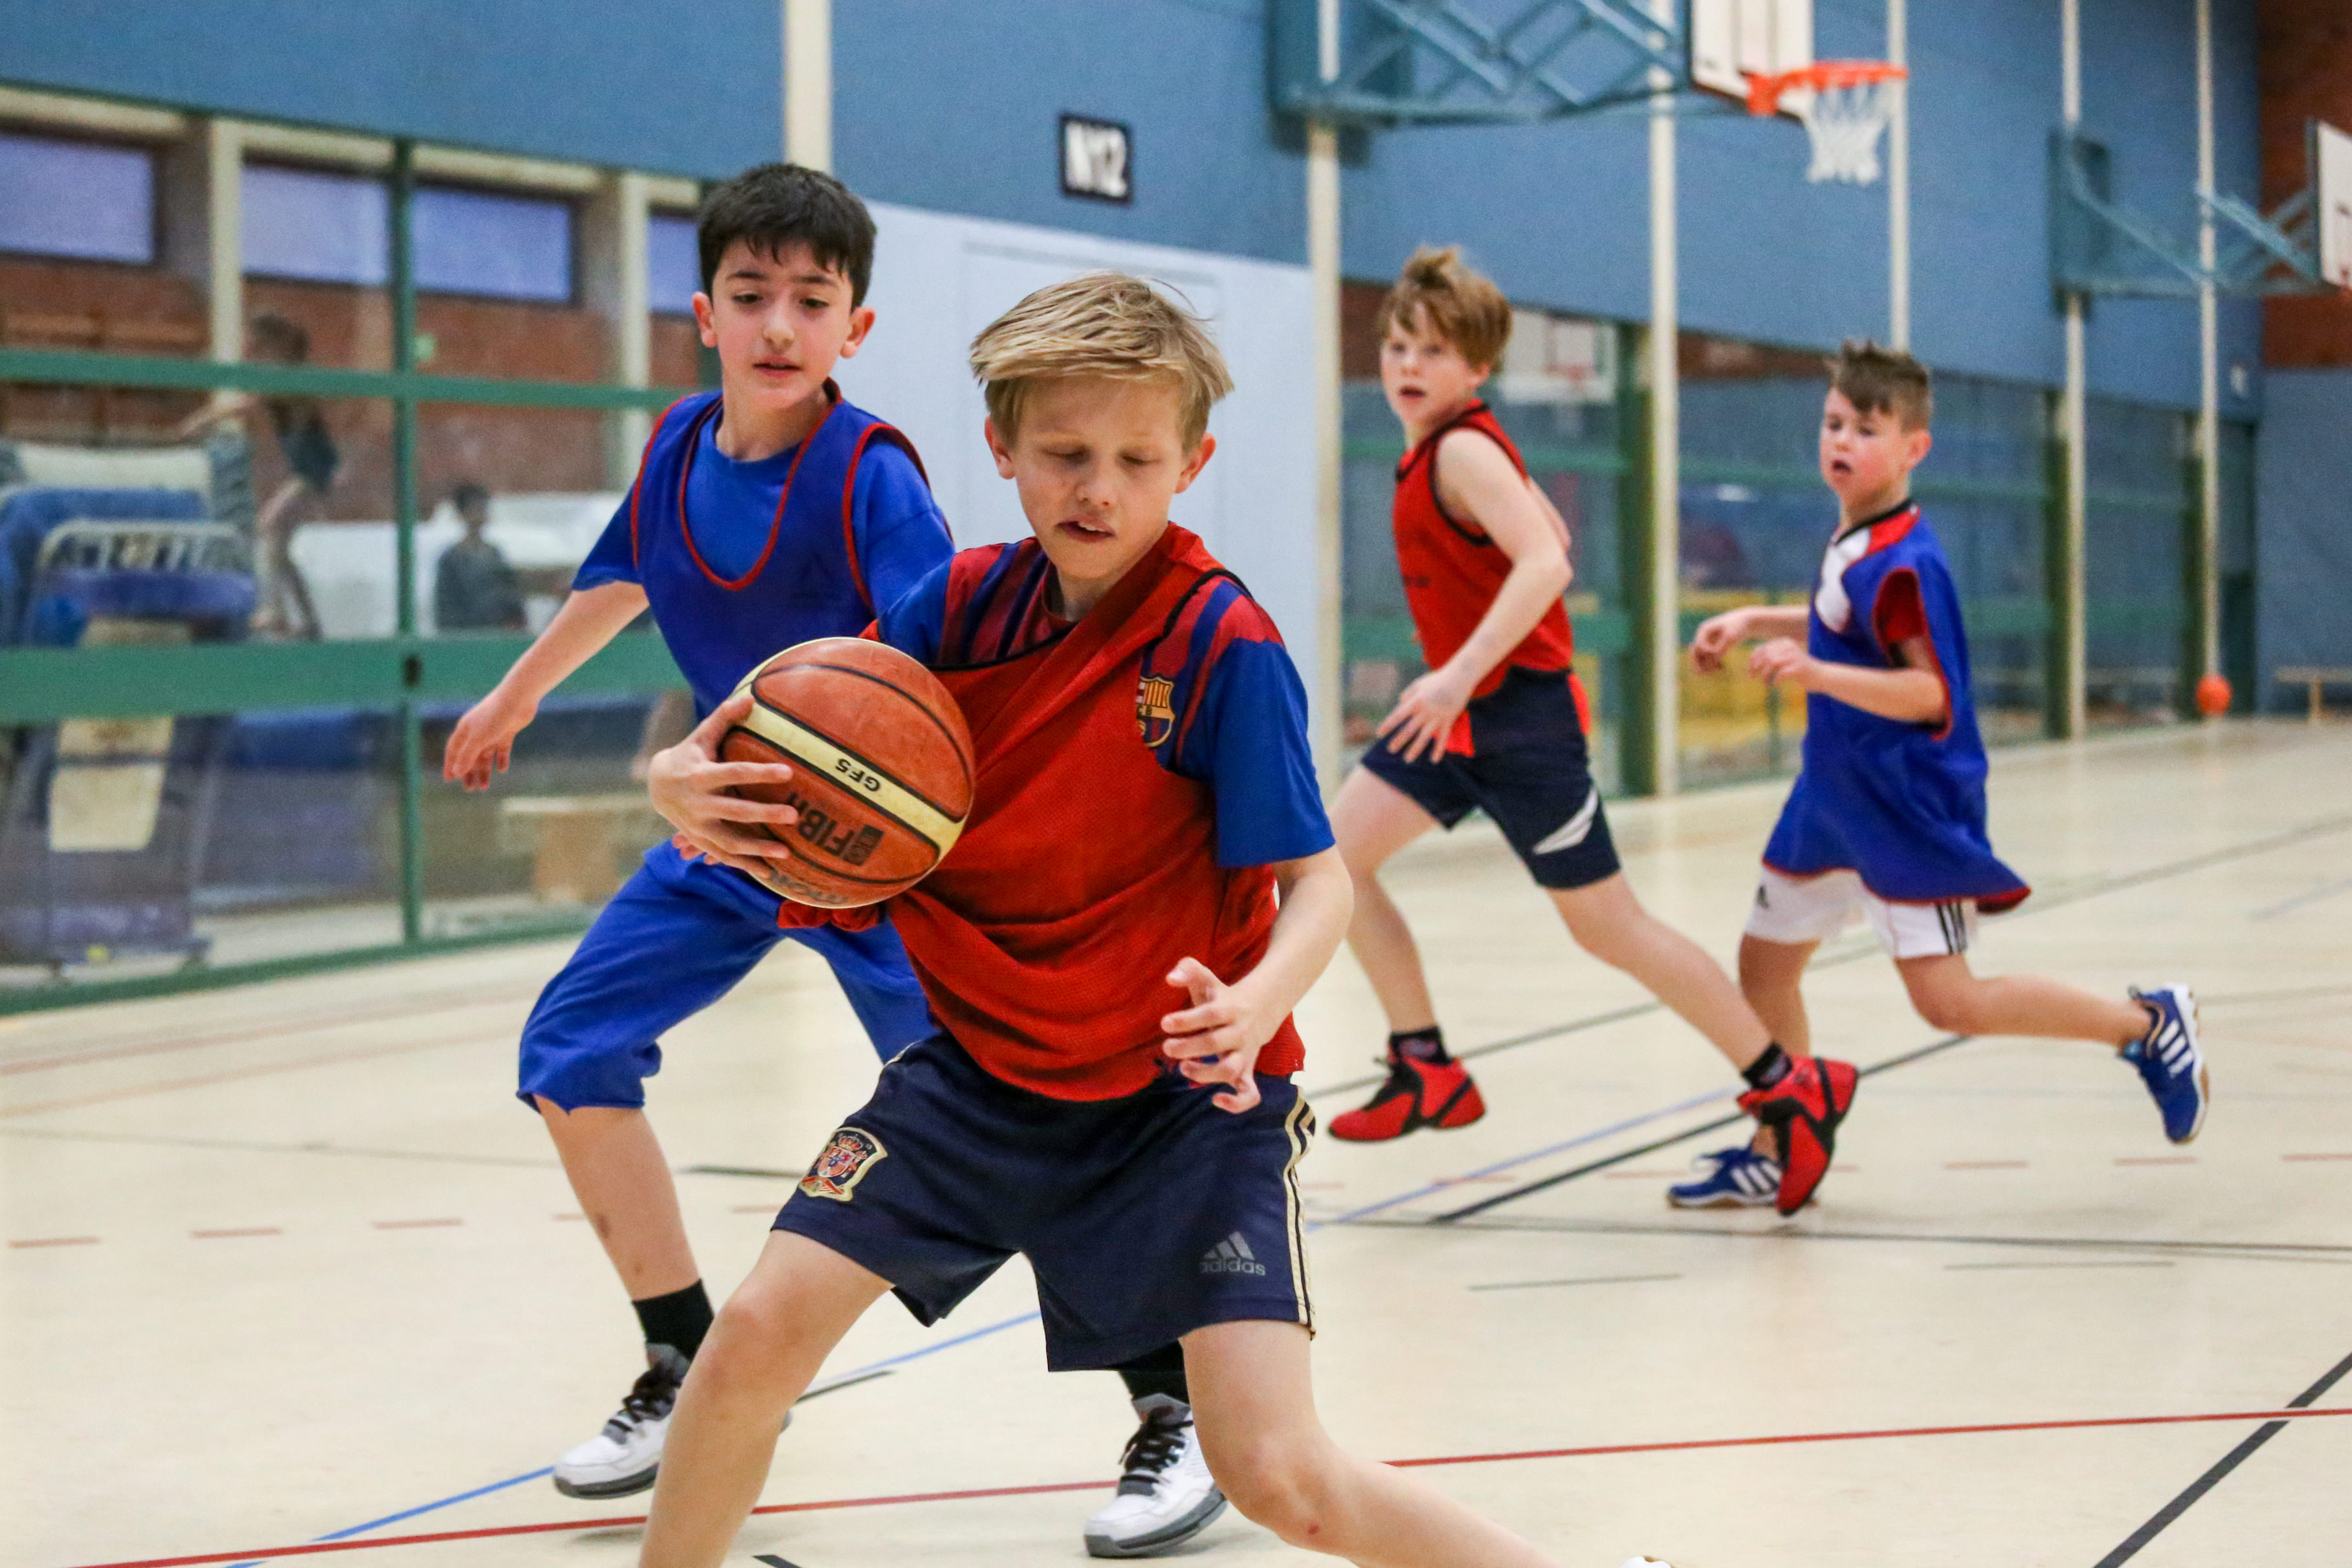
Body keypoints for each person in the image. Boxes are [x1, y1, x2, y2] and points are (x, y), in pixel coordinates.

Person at [639, 271, 1641, 1568]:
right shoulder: (953, 613)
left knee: (1282, 1476)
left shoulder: (1221, 642)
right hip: (979, 1076)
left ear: (1190, 463)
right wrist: (681, 781)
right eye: (1063, 453)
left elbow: (1320, 880)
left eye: (1134, 459)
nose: (1096, 489)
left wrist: (1260, 1000)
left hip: (1183, 1102)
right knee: (749, 1339)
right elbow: (775, 753)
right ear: (1001, 449)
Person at [438, 166, 1208, 1554]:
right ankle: (683, 1357)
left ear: (855, 327)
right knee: (568, 1052)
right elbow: (620, 575)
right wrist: (516, 694)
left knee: (1011, 1118)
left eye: (812, 300)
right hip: (734, 833)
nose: (779, 324)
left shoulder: (870, 477)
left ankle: (1174, 1399)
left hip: (887, 863)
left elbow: (967, 659)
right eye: (751, 296)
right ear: (705, 316)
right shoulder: (677, 449)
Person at [1325, 246, 1854, 1217]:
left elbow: (1546, 564)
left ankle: (1789, 1082)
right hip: (1457, 717)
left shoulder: (1462, 450)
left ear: (1476, 366)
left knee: (1608, 926)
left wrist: (1454, 673)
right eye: (1397, 345)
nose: (1408, 364)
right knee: (1331, 860)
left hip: (1515, 721)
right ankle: (1423, 1064)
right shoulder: (1446, 446)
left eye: (1433, 351)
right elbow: (1551, 535)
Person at [1680, 342, 2206, 1201]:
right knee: (1764, 966)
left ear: (1913, 447)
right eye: (1833, 422)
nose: (1841, 440)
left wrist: (1813, 673)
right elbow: (1838, 619)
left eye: (1866, 428)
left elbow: (1928, 693)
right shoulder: (1857, 536)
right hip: (1832, 796)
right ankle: (1779, 1142)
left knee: (1949, 1001)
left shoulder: (1906, 563)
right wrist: (1750, 619)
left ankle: (2146, 1025)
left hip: (1902, 806)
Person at [175, 311, 333, 639]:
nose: (250, 354)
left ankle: (275, 611)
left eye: (255, 347)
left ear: (272, 347)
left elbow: (246, 405)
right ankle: (308, 620)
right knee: (279, 549)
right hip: (309, 470)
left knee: (268, 526)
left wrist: (200, 421)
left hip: (314, 471)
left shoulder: (287, 380)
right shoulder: (279, 380)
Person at [432, 481, 527, 632]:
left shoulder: (495, 554)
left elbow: (512, 598)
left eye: (482, 508)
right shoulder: (451, 559)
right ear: (462, 514)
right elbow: (446, 608)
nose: (479, 515)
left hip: (496, 636)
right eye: (473, 509)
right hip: (464, 637)